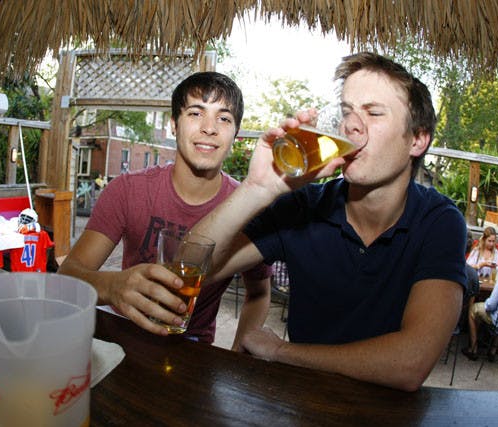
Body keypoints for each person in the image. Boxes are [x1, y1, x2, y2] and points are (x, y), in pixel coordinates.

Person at [190, 52, 467, 391]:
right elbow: (187, 269)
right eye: (347, 111)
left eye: (374, 112)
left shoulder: (440, 222)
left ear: (417, 139)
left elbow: (411, 363)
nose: (351, 124)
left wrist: (280, 351)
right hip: (304, 406)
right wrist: (256, 189)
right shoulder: (305, 206)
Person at [58, 71, 271, 347]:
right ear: (174, 125)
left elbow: (259, 294)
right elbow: (67, 278)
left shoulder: (248, 208)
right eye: (196, 113)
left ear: (236, 133)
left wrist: (238, 354)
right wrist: (113, 287)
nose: (209, 127)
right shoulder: (128, 190)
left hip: (194, 349)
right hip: (124, 338)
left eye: (224, 118)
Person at [462, 238, 498, 361]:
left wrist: (487, 303)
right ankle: (493, 349)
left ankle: (473, 348)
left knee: (474, 308)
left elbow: (491, 306)